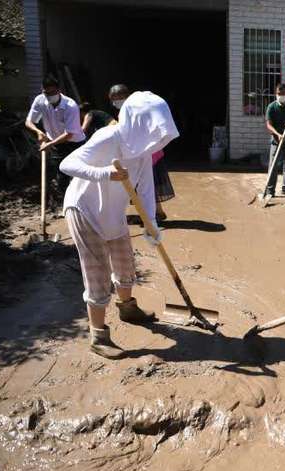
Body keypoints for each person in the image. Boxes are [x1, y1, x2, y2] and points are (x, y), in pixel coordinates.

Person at [60, 91, 179, 359]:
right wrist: (104, 174)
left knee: (125, 263)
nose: (156, 137)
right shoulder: (108, 137)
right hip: (85, 210)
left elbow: (146, 191)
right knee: (98, 274)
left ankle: (128, 308)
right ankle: (98, 335)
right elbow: (68, 164)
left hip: (113, 212)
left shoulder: (144, 151)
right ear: (138, 123)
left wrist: (152, 226)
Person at [108, 84, 174, 221]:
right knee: (149, 186)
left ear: (127, 96)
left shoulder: (133, 109)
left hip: (147, 154)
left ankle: (151, 215)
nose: (116, 101)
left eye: (119, 98)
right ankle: (156, 213)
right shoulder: (131, 108)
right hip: (149, 152)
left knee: (145, 186)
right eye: (113, 99)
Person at [25, 75, 86, 201]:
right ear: (43, 91)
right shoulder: (40, 100)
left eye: (53, 92)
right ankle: (67, 204)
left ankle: (84, 203)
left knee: (78, 175)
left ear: (59, 90)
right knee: (61, 176)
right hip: (57, 145)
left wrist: (49, 144)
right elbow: (29, 121)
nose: (50, 95)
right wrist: (38, 132)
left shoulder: (70, 105)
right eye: (47, 92)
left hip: (75, 144)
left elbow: (69, 134)